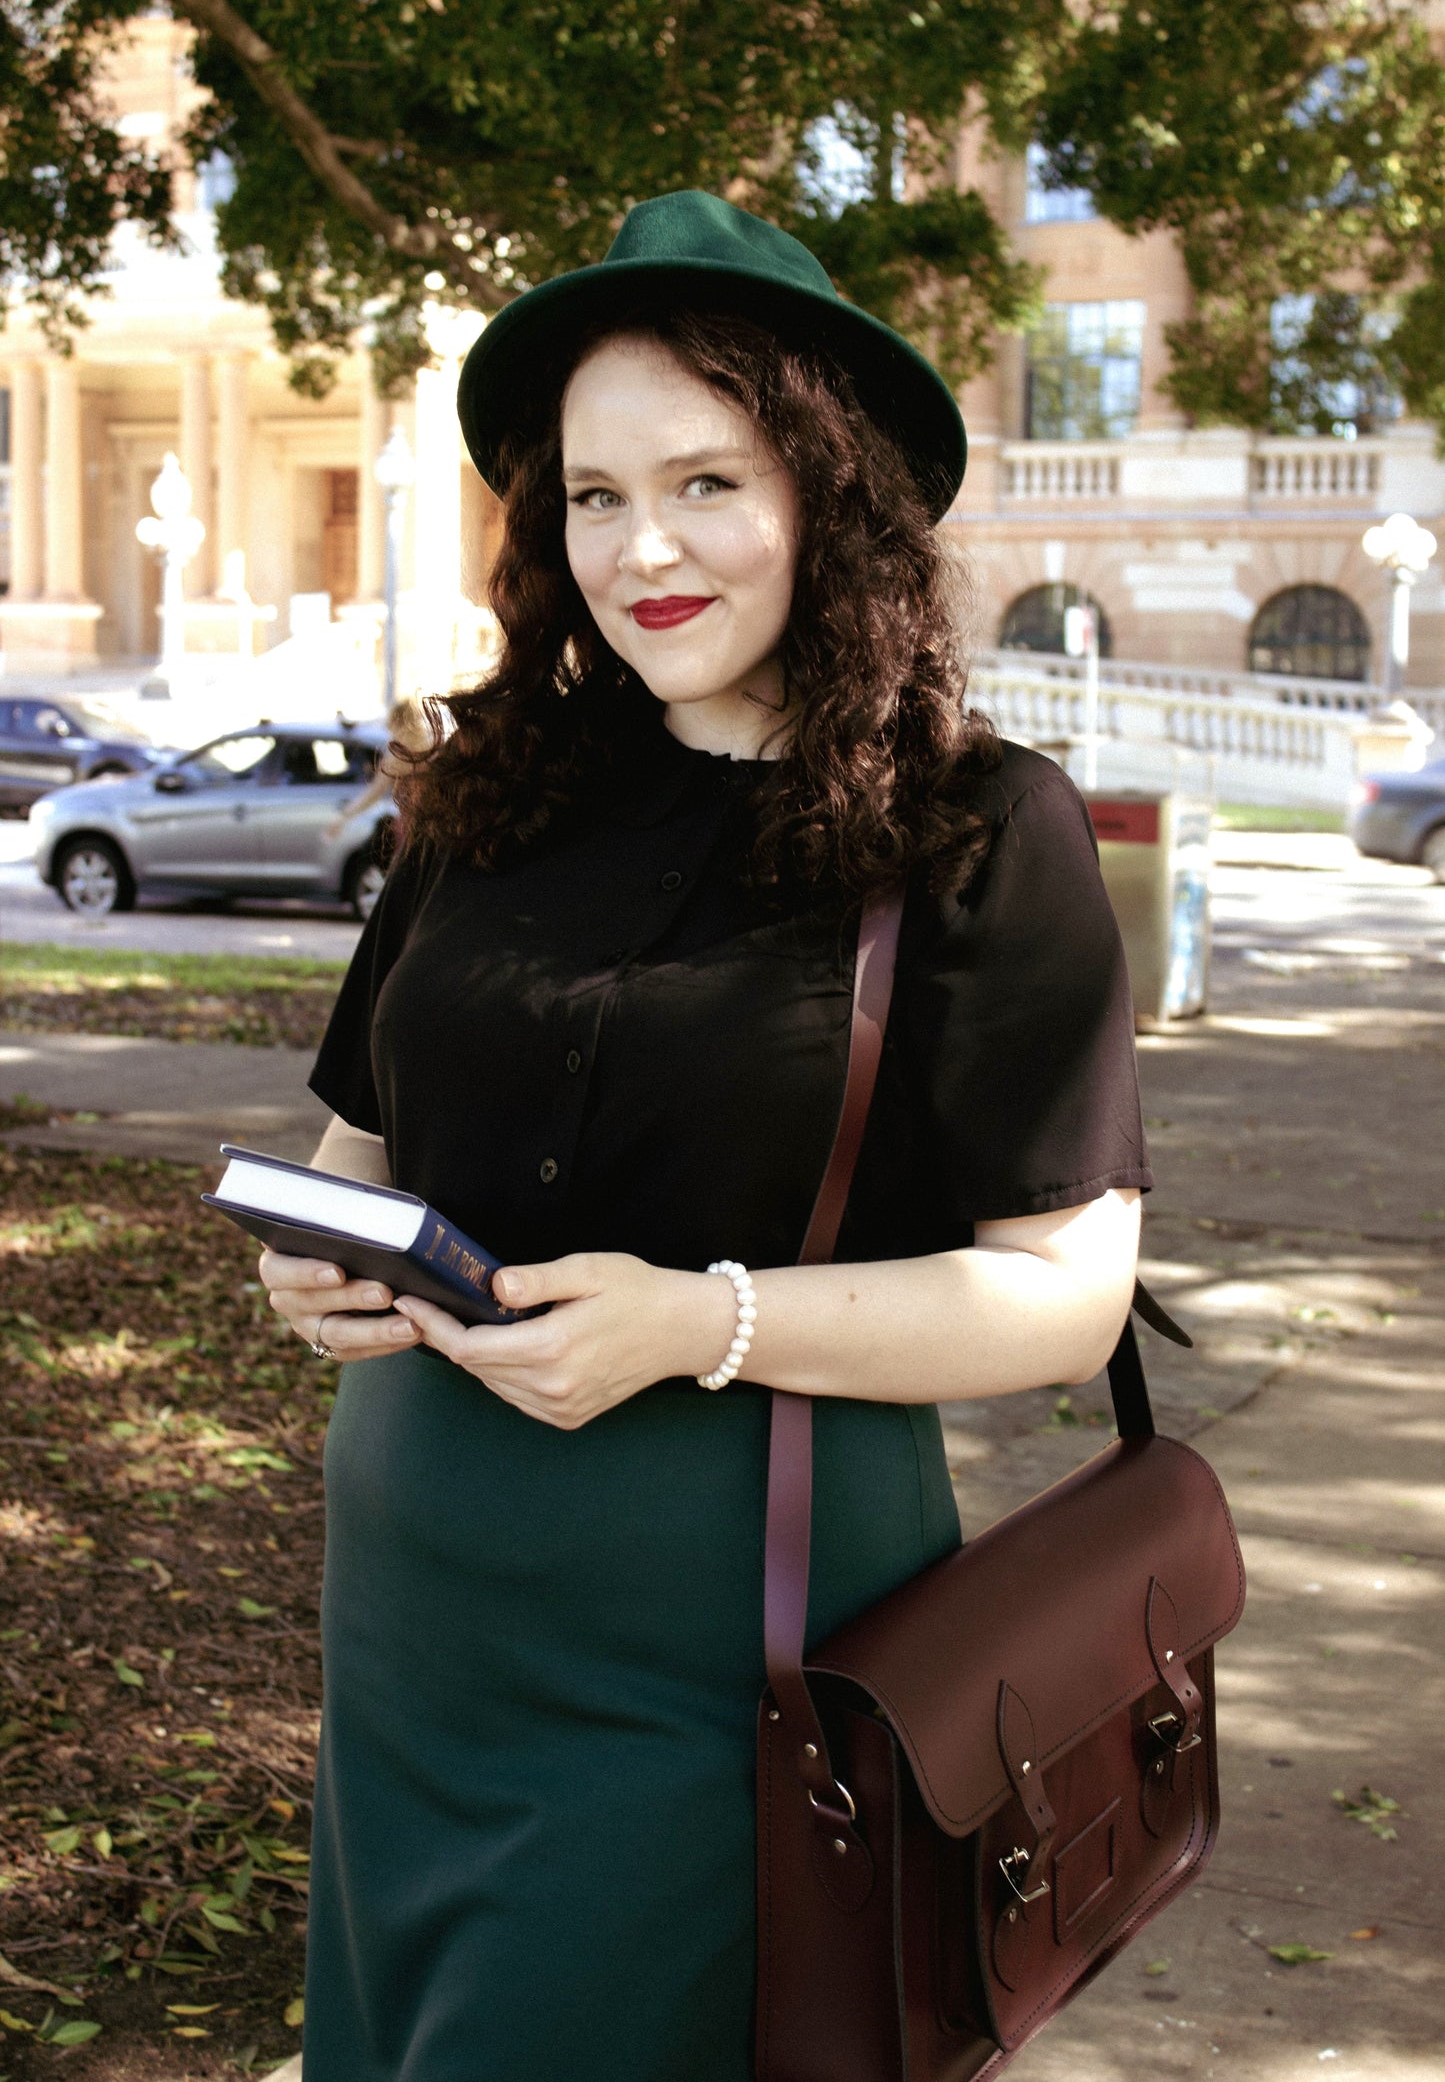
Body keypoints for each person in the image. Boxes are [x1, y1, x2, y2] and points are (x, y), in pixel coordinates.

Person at [259, 190, 1151, 2082]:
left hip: (729, 1665)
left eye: (706, 483)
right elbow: (360, 1143)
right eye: (591, 496)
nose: (640, 548)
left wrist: (702, 1320)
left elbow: (1063, 1297)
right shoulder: (482, 801)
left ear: (831, 492)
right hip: (415, 1641)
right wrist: (326, 1243)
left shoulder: (987, 830)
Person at [321, 694, 428, 842]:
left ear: (395, 723)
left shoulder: (398, 756)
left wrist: (343, 817)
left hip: (413, 826)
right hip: (434, 823)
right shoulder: (431, 747)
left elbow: (373, 793)